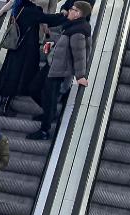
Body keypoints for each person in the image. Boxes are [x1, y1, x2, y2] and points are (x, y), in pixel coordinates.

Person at [28, 1, 92, 140]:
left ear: (78, 13)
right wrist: (54, 46)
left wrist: (80, 75)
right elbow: (66, 45)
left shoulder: (79, 30)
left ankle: (44, 131)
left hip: (60, 69)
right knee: (33, 88)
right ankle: (49, 113)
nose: (69, 11)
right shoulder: (71, 25)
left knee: (50, 96)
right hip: (53, 63)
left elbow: (80, 54)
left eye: (72, 9)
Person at [0, 0, 57, 116]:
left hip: (18, 42)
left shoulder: (22, 8)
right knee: (21, 71)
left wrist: (1, 11)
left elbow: (46, 15)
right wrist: (64, 16)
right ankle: (9, 100)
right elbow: (46, 17)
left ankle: (5, 101)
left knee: (14, 70)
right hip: (27, 44)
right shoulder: (32, 10)